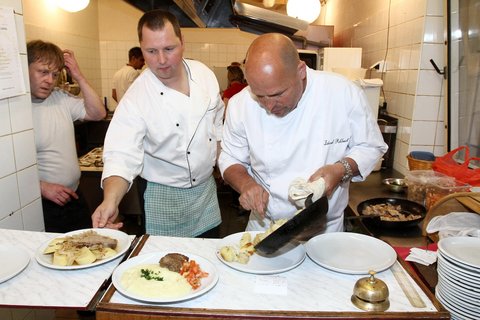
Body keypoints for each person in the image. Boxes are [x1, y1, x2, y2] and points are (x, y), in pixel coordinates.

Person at [218, 33, 388, 233]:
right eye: (259, 96)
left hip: (326, 229)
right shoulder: (240, 104)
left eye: (277, 94)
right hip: (265, 227)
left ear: (300, 71)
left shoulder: (342, 93)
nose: (269, 106)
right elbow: (230, 157)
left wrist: (341, 169)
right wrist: (246, 184)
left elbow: (370, 146)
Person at [92, 10, 224, 238]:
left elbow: (218, 125)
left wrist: (226, 165)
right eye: (151, 51)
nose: (161, 60)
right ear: (141, 48)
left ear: (182, 42)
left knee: (207, 262)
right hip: (163, 197)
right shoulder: (136, 97)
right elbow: (120, 155)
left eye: (169, 49)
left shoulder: (204, 75)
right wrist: (110, 201)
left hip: (205, 194)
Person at [28, 40, 106, 232]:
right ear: (25, 68)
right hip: (44, 204)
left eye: (54, 75)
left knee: (87, 250)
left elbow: (98, 113)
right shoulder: (16, 114)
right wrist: (42, 187)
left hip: (74, 197)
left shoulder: (59, 98)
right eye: (43, 72)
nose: (49, 80)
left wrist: (78, 76)